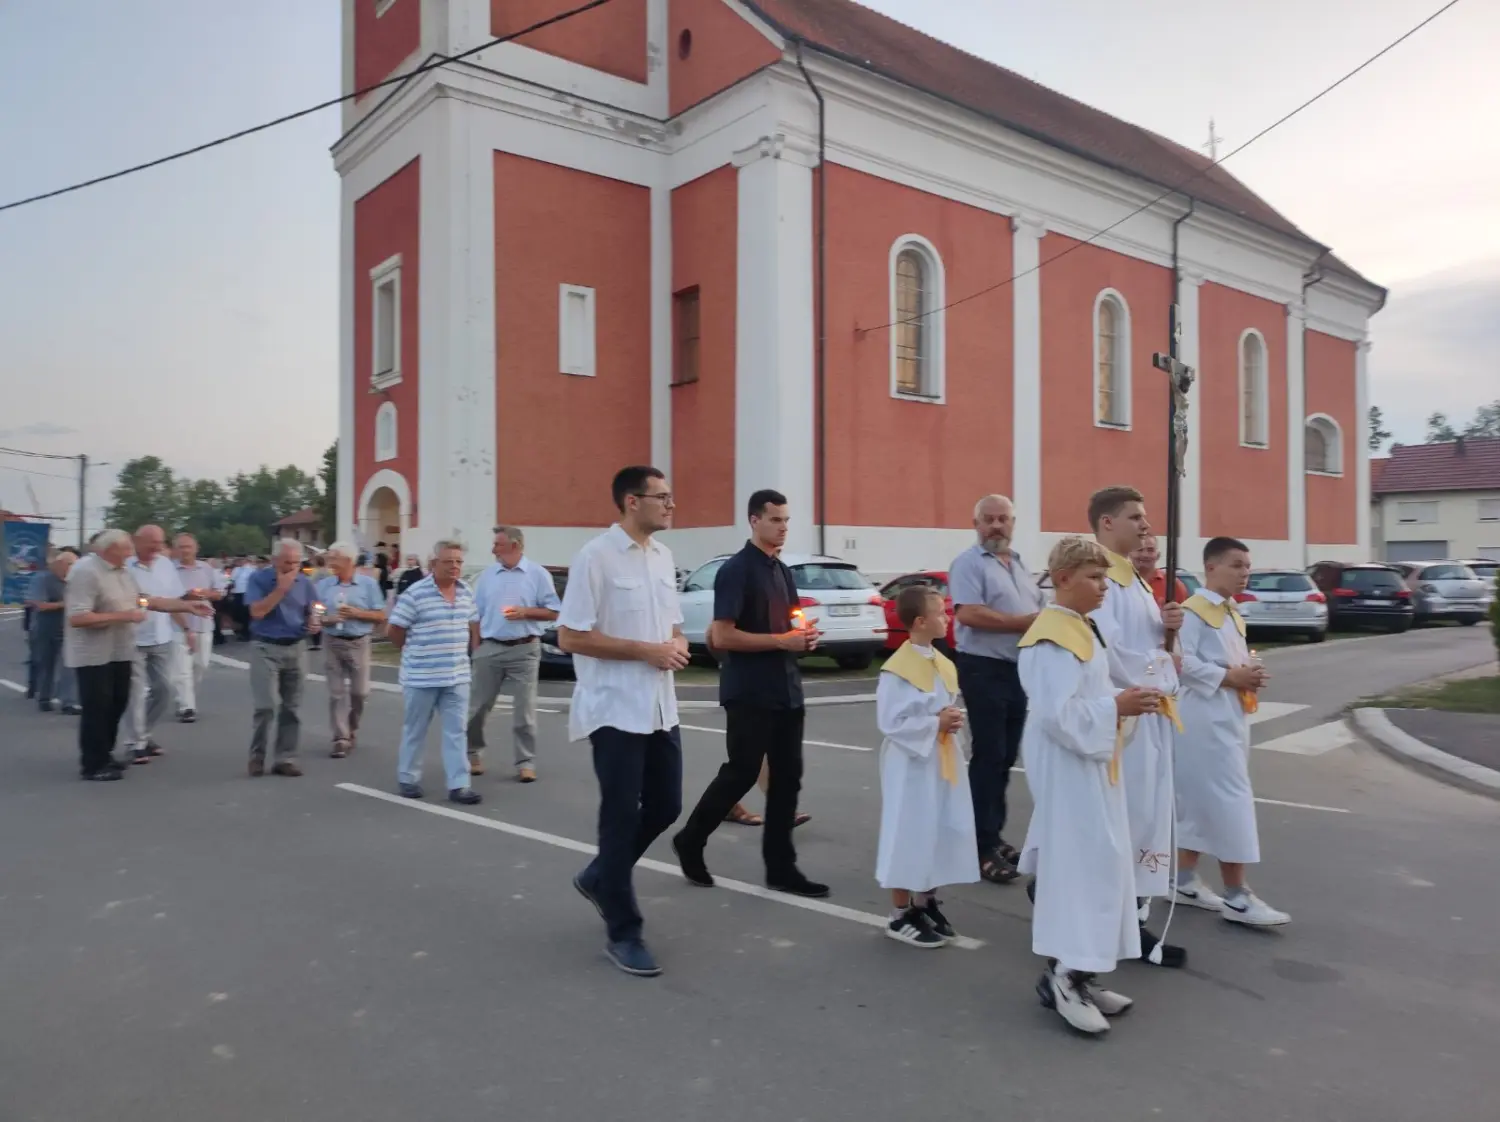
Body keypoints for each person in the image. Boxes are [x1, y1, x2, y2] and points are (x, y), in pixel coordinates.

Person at [1018, 536, 1161, 1035]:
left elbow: (1091, 695)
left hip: (1094, 767)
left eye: (1104, 577)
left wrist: (1125, 700)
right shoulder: (1049, 639)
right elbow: (1058, 715)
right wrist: (1115, 707)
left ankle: (1082, 969)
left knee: (1104, 865)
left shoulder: (1083, 627)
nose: (1104, 587)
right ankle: (1063, 977)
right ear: (1063, 579)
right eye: (1094, 578)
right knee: (1081, 869)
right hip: (1069, 770)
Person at [558, 466, 687, 978]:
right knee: (619, 814)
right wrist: (644, 651)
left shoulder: (663, 556)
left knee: (666, 804)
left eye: (670, 496)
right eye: (662, 497)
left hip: (659, 707)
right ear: (632, 502)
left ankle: (601, 876)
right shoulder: (596, 556)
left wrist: (675, 645)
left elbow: (673, 626)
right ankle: (623, 931)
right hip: (614, 708)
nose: (671, 504)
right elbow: (570, 636)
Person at [672, 490, 828, 899]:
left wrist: (804, 638)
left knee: (787, 779)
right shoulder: (736, 570)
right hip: (749, 691)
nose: (783, 527)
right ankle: (691, 839)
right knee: (741, 772)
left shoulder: (783, 571)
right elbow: (722, 636)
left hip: (786, 689)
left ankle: (781, 868)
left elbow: (789, 627)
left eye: (786, 520)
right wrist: (782, 641)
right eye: (775, 519)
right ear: (754, 520)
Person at [1087, 485, 1187, 968]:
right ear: (1107, 523)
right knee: (1125, 823)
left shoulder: (1140, 583)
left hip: (1150, 715)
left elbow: (1157, 652)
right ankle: (1117, 923)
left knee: (1147, 819)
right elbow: (1113, 655)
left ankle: (1133, 914)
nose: (1146, 526)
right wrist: (1163, 668)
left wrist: (1170, 631)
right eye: (1135, 517)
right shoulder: (1102, 582)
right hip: (1124, 719)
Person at [1174, 537, 1289, 926]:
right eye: (1236, 565)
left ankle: (1184, 880)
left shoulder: (1231, 612)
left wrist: (1247, 674)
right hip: (1204, 721)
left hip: (1229, 715)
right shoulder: (1193, 612)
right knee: (1231, 801)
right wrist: (1229, 676)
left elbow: (1231, 662)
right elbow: (1179, 662)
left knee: (1202, 803)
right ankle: (1237, 895)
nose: (1245, 573)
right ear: (1211, 567)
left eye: (1247, 567)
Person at [874, 584, 979, 947]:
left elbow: (942, 704)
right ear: (920, 621)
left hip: (942, 757)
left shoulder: (940, 661)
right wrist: (936, 722)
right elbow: (891, 722)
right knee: (908, 830)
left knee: (938, 826)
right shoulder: (898, 670)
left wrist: (950, 719)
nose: (947, 618)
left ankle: (925, 901)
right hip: (911, 762)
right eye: (940, 613)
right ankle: (899, 914)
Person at [946, 494, 1043, 885]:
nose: (996, 525)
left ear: (1013, 523)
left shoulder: (1019, 564)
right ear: (976, 524)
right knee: (988, 755)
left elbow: (1039, 611)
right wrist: (1023, 623)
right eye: (988, 519)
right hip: (983, 668)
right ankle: (979, 845)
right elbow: (969, 612)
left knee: (1005, 757)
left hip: (1018, 669)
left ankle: (993, 833)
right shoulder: (969, 563)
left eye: (1003, 518)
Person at [65, 529, 210, 781]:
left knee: (117, 702)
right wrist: (125, 616)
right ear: (108, 549)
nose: (130, 553)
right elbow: (77, 617)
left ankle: (106, 753)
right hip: (94, 653)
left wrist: (186, 606)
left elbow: (145, 600)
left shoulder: (122, 571)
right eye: (125, 549)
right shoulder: (86, 572)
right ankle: (93, 764)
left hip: (121, 649)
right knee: (97, 707)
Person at [387, 541, 482, 804]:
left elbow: (473, 623)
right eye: (448, 561)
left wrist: (472, 652)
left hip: (457, 676)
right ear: (433, 564)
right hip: (422, 677)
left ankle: (459, 785)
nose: (454, 566)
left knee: (457, 732)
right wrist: (415, 652)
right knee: (415, 730)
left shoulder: (466, 592)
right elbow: (394, 630)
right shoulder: (415, 594)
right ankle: (408, 778)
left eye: (458, 562)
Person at [467, 526, 561, 782]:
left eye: (498, 544)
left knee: (525, 711)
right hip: (490, 647)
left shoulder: (537, 574)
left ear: (515, 545)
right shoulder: (488, 575)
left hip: (525, 648)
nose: (493, 549)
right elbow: (475, 613)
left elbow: (554, 610)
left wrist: (525, 612)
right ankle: (473, 753)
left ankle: (525, 761)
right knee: (477, 707)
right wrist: (476, 646)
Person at [245, 539, 322, 777]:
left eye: (297, 563)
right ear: (274, 560)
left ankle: (286, 757)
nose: (292, 567)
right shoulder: (258, 579)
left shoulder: (305, 582)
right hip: (266, 646)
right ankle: (257, 756)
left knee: (292, 707)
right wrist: (281, 589)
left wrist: (314, 620)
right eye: (287, 562)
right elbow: (257, 612)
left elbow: (314, 608)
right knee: (266, 706)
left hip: (296, 646)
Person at [123, 525, 188, 765]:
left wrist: (187, 628)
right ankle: (135, 743)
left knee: (164, 689)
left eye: (159, 544)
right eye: (151, 543)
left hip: (161, 637)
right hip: (132, 638)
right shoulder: (125, 566)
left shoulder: (165, 565)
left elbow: (173, 600)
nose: (156, 548)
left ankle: (145, 733)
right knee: (136, 694)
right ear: (136, 541)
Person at [315, 541, 387, 758]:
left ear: (348, 561)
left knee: (360, 692)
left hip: (359, 642)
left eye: (333, 558)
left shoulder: (368, 584)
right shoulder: (323, 585)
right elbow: (316, 613)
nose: (329, 562)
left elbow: (381, 615)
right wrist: (326, 619)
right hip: (332, 641)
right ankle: (341, 738)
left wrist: (357, 614)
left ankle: (352, 727)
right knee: (336, 693)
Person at [172, 533, 223, 723]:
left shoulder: (206, 568)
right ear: (175, 549)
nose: (185, 551)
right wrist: (186, 596)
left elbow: (219, 593)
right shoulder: (169, 570)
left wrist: (203, 594)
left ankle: (185, 695)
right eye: (181, 547)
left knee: (201, 665)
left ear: (196, 548)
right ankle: (187, 706)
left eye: (188, 547)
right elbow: (165, 596)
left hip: (203, 623)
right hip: (177, 624)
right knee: (182, 668)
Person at [25, 549, 80, 713]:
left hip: (67, 629)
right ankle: (44, 697)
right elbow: (39, 605)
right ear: (59, 563)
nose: (72, 569)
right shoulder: (42, 579)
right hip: (44, 628)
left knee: (69, 665)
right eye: (70, 564)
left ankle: (68, 702)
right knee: (45, 664)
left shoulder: (75, 581)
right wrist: (65, 604)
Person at [1130, 535, 1189, 609]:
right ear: (1130, 553)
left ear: (1158, 555)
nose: (1145, 555)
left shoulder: (1173, 585)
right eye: (1140, 549)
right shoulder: (1121, 582)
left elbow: (1184, 613)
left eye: (1150, 550)